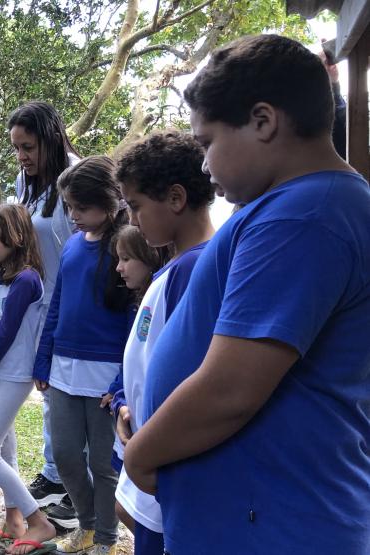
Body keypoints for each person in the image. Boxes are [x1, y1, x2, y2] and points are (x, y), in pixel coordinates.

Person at [123, 35, 370, 553]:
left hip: (276, 526)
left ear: (263, 121)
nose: (205, 166)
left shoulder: (304, 216)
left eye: (207, 142)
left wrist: (142, 455)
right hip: (251, 519)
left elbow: (232, 388)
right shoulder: (291, 206)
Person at [110, 130, 215, 555]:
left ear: (175, 198)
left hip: (167, 454)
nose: (132, 219)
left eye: (135, 206)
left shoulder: (196, 268)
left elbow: (196, 374)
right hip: (149, 440)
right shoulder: (174, 267)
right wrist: (129, 404)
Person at [33, 156, 133, 555]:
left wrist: (122, 379)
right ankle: (88, 525)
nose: (73, 216)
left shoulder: (125, 246)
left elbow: (132, 316)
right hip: (63, 370)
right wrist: (43, 358)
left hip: (105, 374)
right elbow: (56, 304)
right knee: (66, 455)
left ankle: (106, 538)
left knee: (104, 466)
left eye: (81, 207)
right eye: (69, 207)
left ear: (110, 202)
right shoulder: (74, 244)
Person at [8, 101, 80, 526]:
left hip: (72, 303)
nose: (22, 157)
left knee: (75, 399)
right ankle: (55, 475)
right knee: (51, 395)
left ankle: (80, 487)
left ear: (50, 140)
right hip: (42, 301)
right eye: (17, 148)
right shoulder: (27, 181)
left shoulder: (74, 176)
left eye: (28, 146)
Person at [0, 204, 56, 555]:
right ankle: (14, 521)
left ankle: (40, 522)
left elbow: (6, 332)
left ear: (16, 237)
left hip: (15, 374)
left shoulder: (27, 279)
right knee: (5, 447)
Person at [109, 225, 168, 472]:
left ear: (149, 256)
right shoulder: (136, 304)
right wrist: (118, 397)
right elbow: (130, 363)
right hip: (130, 420)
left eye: (126, 259)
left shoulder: (158, 298)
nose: (118, 268)